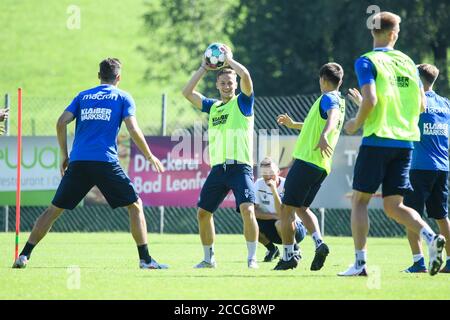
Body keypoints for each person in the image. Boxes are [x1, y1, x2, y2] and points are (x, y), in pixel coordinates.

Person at [12, 58, 168, 270]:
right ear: (119, 77)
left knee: (53, 210)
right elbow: (133, 129)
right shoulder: (123, 97)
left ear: (99, 76)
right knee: (135, 205)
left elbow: (60, 123)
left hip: (79, 162)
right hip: (105, 162)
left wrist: (64, 155)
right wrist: (150, 156)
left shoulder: (83, 96)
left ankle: (24, 255)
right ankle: (146, 260)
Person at [340, 12, 446, 276]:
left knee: (360, 202)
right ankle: (430, 237)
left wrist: (355, 122)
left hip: (378, 139)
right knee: (394, 205)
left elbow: (371, 99)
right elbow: (421, 105)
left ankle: (361, 264)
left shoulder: (367, 60)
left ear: (372, 32)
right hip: (406, 143)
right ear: (394, 34)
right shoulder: (409, 63)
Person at [182, 45, 259, 269]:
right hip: (219, 170)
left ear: (235, 85)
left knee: (248, 209)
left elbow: (246, 75)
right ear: (217, 85)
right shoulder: (213, 107)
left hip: (240, 167)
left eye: (230, 83)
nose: (227, 86)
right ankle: (209, 259)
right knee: (203, 213)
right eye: (223, 83)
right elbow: (187, 93)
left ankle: (252, 258)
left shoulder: (242, 102)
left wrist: (229, 60)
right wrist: (203, 68)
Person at [274, 62, 346, 270]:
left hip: (306, 161)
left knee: (286, 211)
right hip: (321, 166)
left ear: (323, 79)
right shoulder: (340, 100)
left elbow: (330, 117)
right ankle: (319, 243)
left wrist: (324, 135)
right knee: (302, 208)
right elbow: (315, 124)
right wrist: (293, 124)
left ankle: (289, 257)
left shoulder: (329, 98)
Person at [402, 64, 450, 273]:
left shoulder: (415, 102)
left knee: (411, 215)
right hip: (443, 167)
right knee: (442, 216)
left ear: (418, 80)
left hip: (420, 166)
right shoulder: (446, 104)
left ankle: (418, 262)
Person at [254, 157, 307, 262]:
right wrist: (273, 216)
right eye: (265, 172)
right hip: (273, 223)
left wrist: (273, 190)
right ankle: (272, 249)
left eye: (271, 172)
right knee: (251, 226)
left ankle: (295, 249)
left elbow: (282, 213)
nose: (268, 176)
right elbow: (254, 212)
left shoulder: (287, 185)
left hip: (295, 228)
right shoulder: (258, 184)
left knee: (280, 223)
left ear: (278, 172)